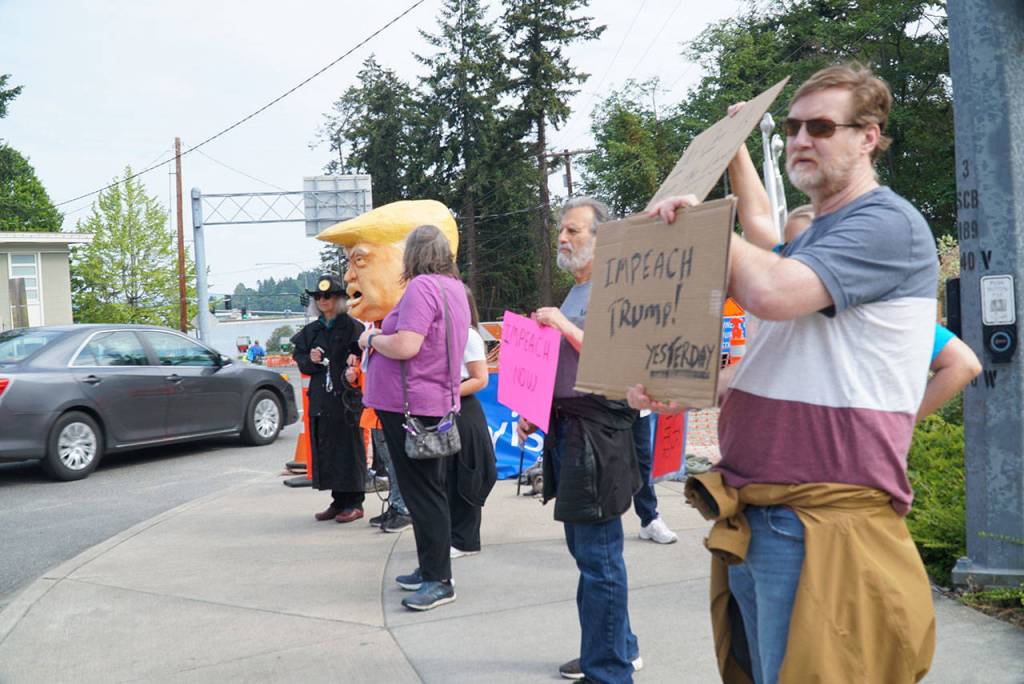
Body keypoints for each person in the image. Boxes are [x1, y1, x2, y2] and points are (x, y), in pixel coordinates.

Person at [636, 64, 938, 683]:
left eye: (822, 127)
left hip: (821, 523)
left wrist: (701, 231)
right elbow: (767, 361)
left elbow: (770, 292)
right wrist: (682, 388)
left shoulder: (885, 223)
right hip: (766, 516)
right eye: (795, 127)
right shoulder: (816, 238)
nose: (802, 139)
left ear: (868, 137)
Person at [726, 108, 982, 423]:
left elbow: (963, 363)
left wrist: (897, 424)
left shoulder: (870, 308)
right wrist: (733, 145)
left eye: (811, 255)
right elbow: (757, 220)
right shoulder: (791, 276)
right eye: (792, 253)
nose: (796, 263)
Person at [518, 197, 643, 684]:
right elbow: (567, 368)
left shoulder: (618, 288)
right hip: (572, 431)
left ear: (602, 238)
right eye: (561, 232)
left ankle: (609, 668)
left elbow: (613, 360)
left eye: (573, 231)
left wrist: (562, 325)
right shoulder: (579, 290)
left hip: (599, 435)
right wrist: (535, 411)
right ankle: (614, 647)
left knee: (599, 557)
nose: (563, 240)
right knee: (589, 553)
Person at [358, 224, 470, 612]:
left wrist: (371, 339)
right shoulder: (454, 288)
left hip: (411, 406)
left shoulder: (422, 287)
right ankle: (429, 569)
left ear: (414, 255)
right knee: (428, 490)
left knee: (425, 494)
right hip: (430, 402)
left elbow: (407, 345)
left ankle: (439, 580)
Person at [291, 274, 367, 523]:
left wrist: (353, 366)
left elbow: (363, 355)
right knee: (327, 447)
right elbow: (299, 358)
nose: (323, 300)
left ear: (339, 299)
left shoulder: (353, 327)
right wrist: (310, 361)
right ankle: (338, 500)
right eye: (319, 297)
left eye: (329, 296)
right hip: (322, 398)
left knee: (348, 447)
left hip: (345, 398)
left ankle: (355, 502)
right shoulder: (312, 330)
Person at [449, 285, 498, 559]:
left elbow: (480, 379)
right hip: (449, 409)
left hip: (463, 412)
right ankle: (454, 535)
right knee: (450, 476)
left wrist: (446, 393)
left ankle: (465, 540)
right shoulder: (446, 334)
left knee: (466, 474)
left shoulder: (467, 335)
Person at [631, 412, 678, 544]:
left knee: (643, 462)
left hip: (638, 407)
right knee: (607, 463)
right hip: (605, 408)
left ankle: (649, 519)